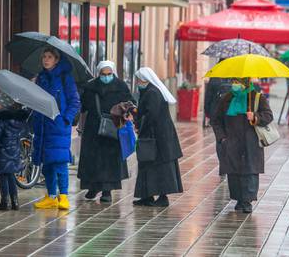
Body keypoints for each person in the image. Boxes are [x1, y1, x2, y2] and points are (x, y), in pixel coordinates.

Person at [210, 78, 274, 213]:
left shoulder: (257, 97)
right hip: (231, 142)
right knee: (234, 172)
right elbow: (215, 120)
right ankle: (239, 199)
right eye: (234, 81)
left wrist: (256, 117)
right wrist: (222, 138)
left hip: (251, 142)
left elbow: (268, 116)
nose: (235, 85)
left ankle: (247, 201)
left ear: (245, 84)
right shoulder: (227, 98)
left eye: (237, 82)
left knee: (249, 171)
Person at [77, 61, 135, 202]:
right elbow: (83, 106)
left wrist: (127, 111)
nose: (106, 77)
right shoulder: (90, 87)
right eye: (103, 74)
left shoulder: (121, 86)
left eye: (109, 74)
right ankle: (93, 187)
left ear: (113, 73)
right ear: (99, 73)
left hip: (113, 126)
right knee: (93, 159)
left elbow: (130, 102)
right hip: (93, 128)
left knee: (110, 159)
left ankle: (107, 191)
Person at [31, 47, 80, 210]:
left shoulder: (65, 77)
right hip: (43, 126)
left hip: (58, 126)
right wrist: (33, 85)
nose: (46, 60)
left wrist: (65, 119)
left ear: (56, 59)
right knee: (47, 164)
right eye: (44, 57)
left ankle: (63, 196)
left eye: (50, 57)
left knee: (59, 162)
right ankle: (51, 196)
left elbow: (74, 102)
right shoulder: (40, 78)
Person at [133, 67, 183, 207]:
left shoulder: (152, 93)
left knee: (160, 167)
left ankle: (162, 197)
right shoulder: (148, 91)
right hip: (155, 136)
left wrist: (139, 124)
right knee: (148, 165)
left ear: (145, 80)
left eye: (139, 80)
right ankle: (147, 196)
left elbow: (151, 115)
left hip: (159, 137)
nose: (137, 82)